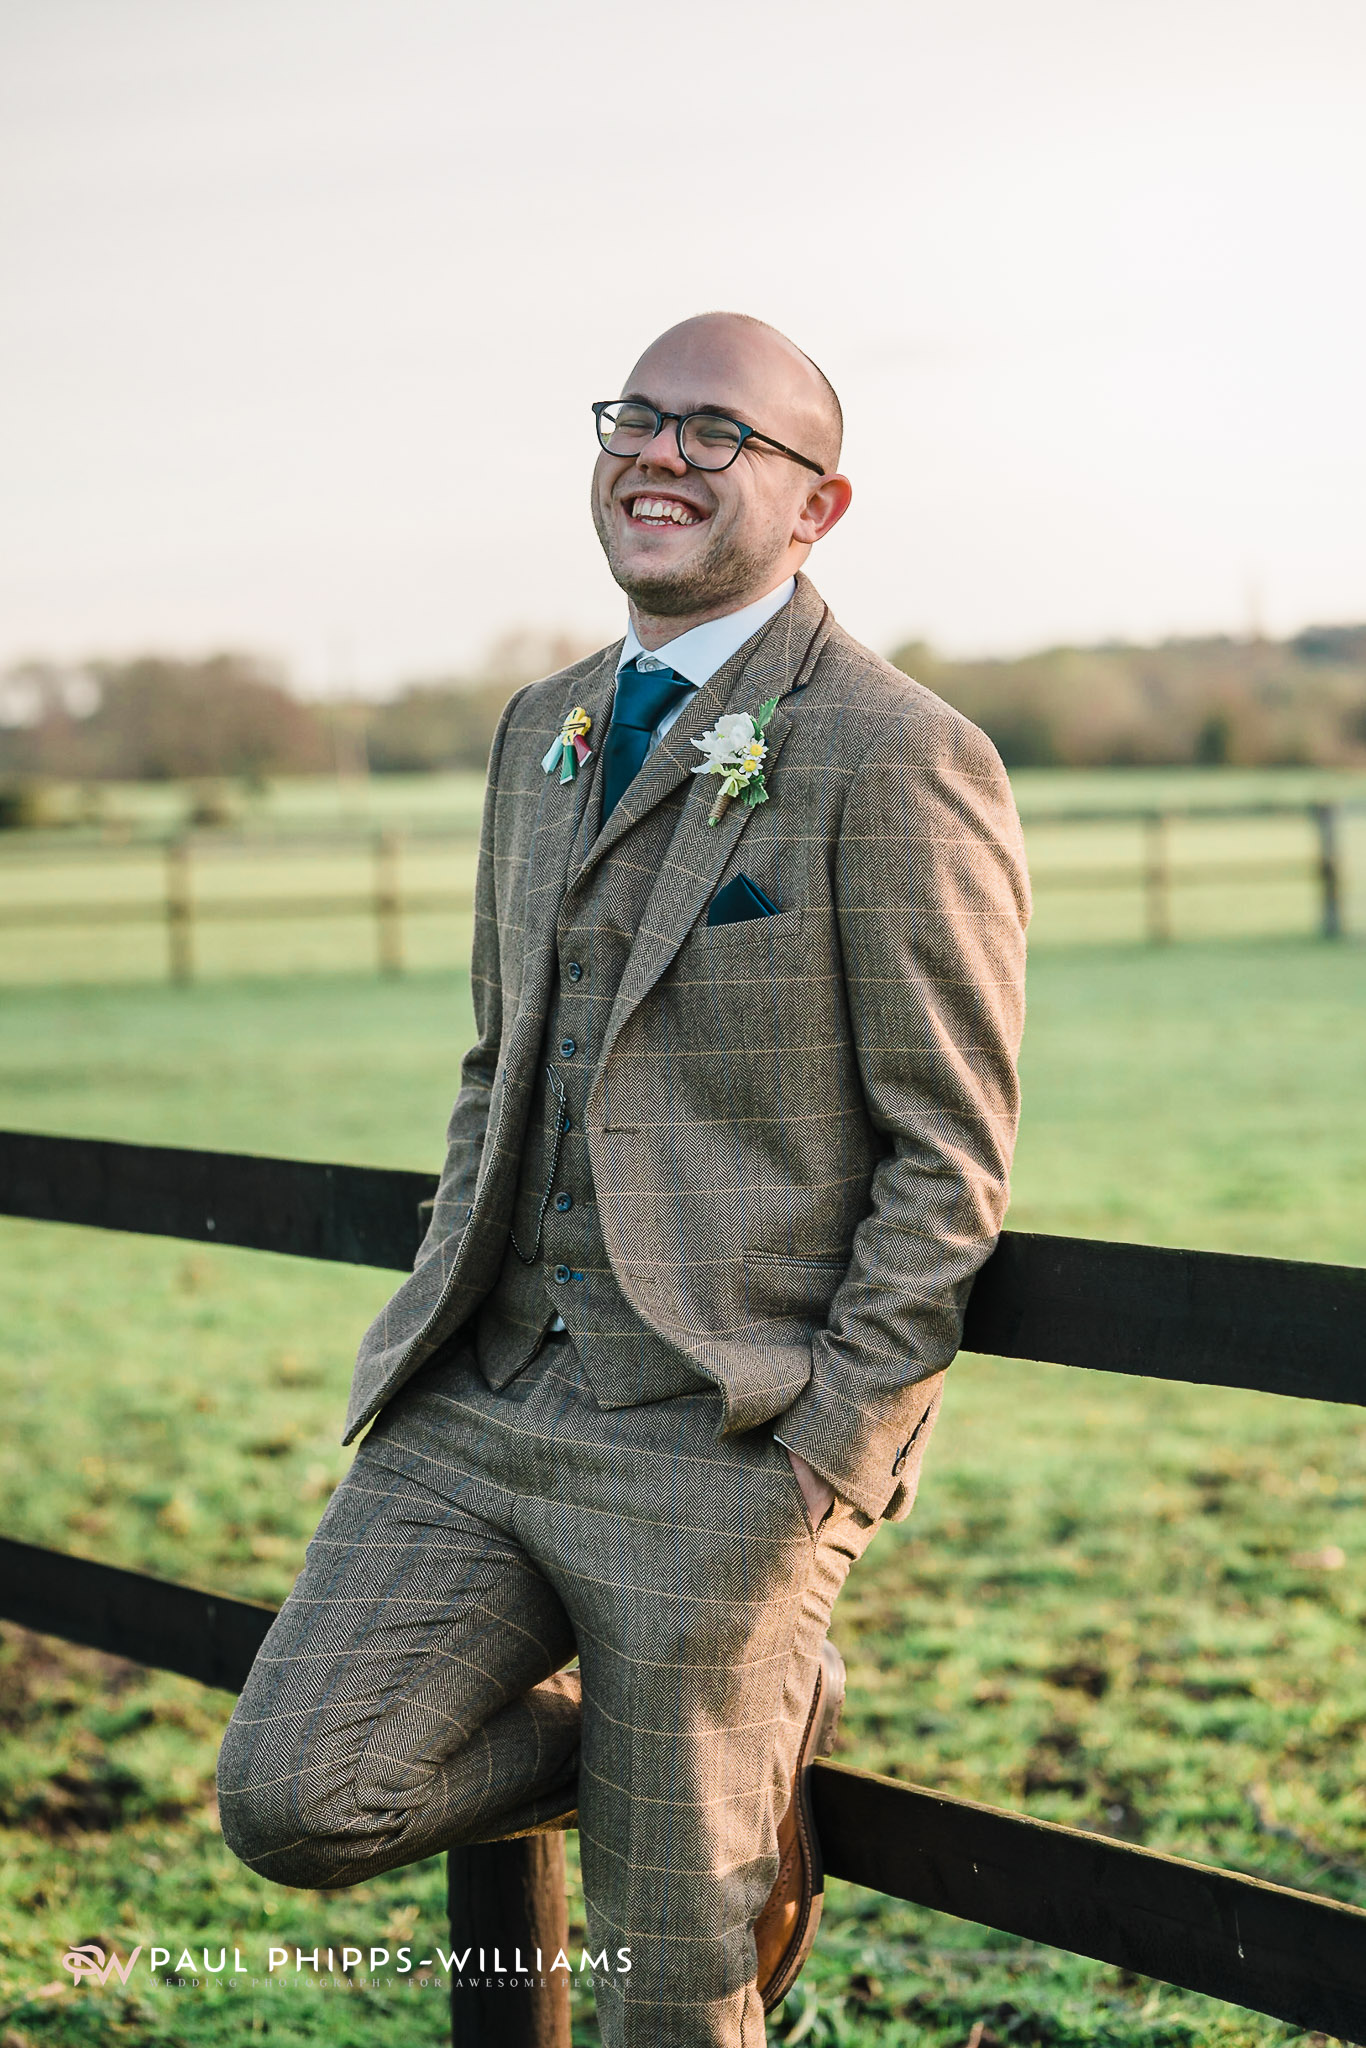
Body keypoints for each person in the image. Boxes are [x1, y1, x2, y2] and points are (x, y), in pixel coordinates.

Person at [216, 310, 1031, 2045]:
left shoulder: (895, 751)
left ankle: (728, 1741)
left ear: (817, 505)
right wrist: (446, 1298)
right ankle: (721, 1746)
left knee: (672, 1997)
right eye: (637, 416)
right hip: (477, 1402)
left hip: (722, 1446)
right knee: (299, 1797)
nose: (660, 451)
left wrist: (825, 1461)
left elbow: (948, 1153)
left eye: (719, 431)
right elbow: (496, 1060)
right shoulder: (544, 726)